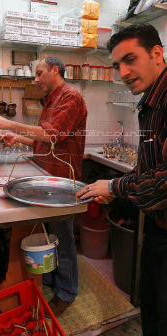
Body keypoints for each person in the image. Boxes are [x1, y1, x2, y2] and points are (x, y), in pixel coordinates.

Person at [77, 24, 167, 336]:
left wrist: (114, 186)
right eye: (118, 65)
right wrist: (116, 192)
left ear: (157, 53)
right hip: (158, 228)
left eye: (131, 59)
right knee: (152, 313)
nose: (124, 72)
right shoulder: (150, 103)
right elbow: (149, 169)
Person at [0, 57, 87, 316]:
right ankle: (53, 280)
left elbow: (50, 135)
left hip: (63, 180)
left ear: (56, 70)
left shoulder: (71, 98)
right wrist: (18, 137)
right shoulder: (51, 101)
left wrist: (7, 123)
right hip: (46, 175)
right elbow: (45, 142)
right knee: (50, 235)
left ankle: (67, 292)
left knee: (62, 237)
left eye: (40, 73)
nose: (36, 80)